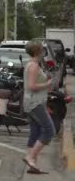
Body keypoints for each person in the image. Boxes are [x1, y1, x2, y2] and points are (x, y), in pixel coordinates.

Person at [22, 42, 54, 174]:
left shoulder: (32, 65)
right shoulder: (33, 66)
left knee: (35, 132)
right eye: (42, 50)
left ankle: (32, 164)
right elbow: (31, 86)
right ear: (37, 52)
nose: (43, 52)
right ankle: (30, 157)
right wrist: (47, 84)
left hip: (35, 102)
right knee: (49, 130)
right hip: (34, 103)